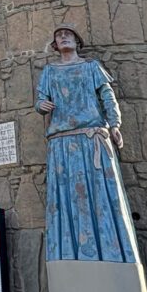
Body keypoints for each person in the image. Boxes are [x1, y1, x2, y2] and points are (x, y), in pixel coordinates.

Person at [35, 25, 138, 263]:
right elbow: (41, 99)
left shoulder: (91, 67)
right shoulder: (50, 71)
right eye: (59, 37)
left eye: (68, 35)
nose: (63, 38)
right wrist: (41, 105)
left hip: (92, 136)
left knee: (102, 194)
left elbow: (107, 95)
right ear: (55, 46)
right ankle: (69, 253)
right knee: (66, 198)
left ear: (77, 41)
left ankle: (111, 252)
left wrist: (114, 124)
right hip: (61, 141)